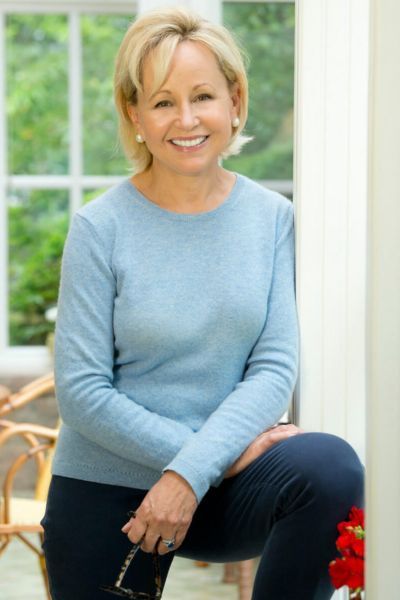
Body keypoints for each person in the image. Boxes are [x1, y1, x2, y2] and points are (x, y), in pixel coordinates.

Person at [41, 7, 364, 600]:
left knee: (329, 467)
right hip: (109, 485)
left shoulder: (273, 219)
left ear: (235, 101)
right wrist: (206, 458)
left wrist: (196, 471)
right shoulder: (99, 228)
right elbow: (83, 393)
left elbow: (272, 368)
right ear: (134, 113)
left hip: (227, 485)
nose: (185, 119)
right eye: (163, 102)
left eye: (203, 96)